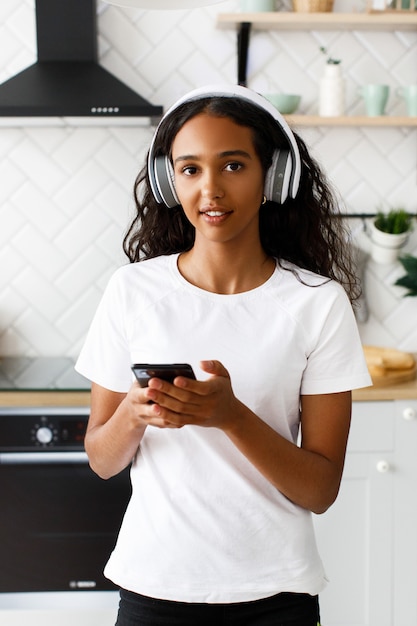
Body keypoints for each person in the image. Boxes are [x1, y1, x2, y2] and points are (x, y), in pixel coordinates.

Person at [75, 84, 371, 626]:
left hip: (276, 596)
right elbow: (101, 458)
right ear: (170, 181)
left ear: (273, 177)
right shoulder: (132, 291)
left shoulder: (317, 304)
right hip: (153, 589)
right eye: (189, 169)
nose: (210, 188)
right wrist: (134, 414)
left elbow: (321, 489)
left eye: (233, 165)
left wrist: (231, 416)